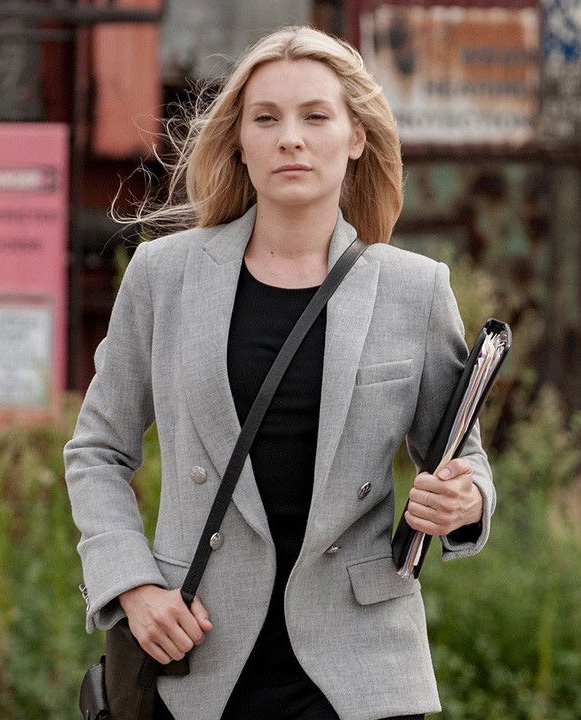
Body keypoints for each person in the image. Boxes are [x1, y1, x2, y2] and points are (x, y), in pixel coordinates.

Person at [63, 25, 496, 720]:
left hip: (361, 672)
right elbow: (97, 450)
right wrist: (133, 587)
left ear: (356, 137)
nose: (290, 138)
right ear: (240, 141)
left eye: (315, 117)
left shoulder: (414, 290)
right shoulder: (163, 276)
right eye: (266, 119)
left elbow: (462, 459)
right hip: (196, 656)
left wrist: (463, 502)